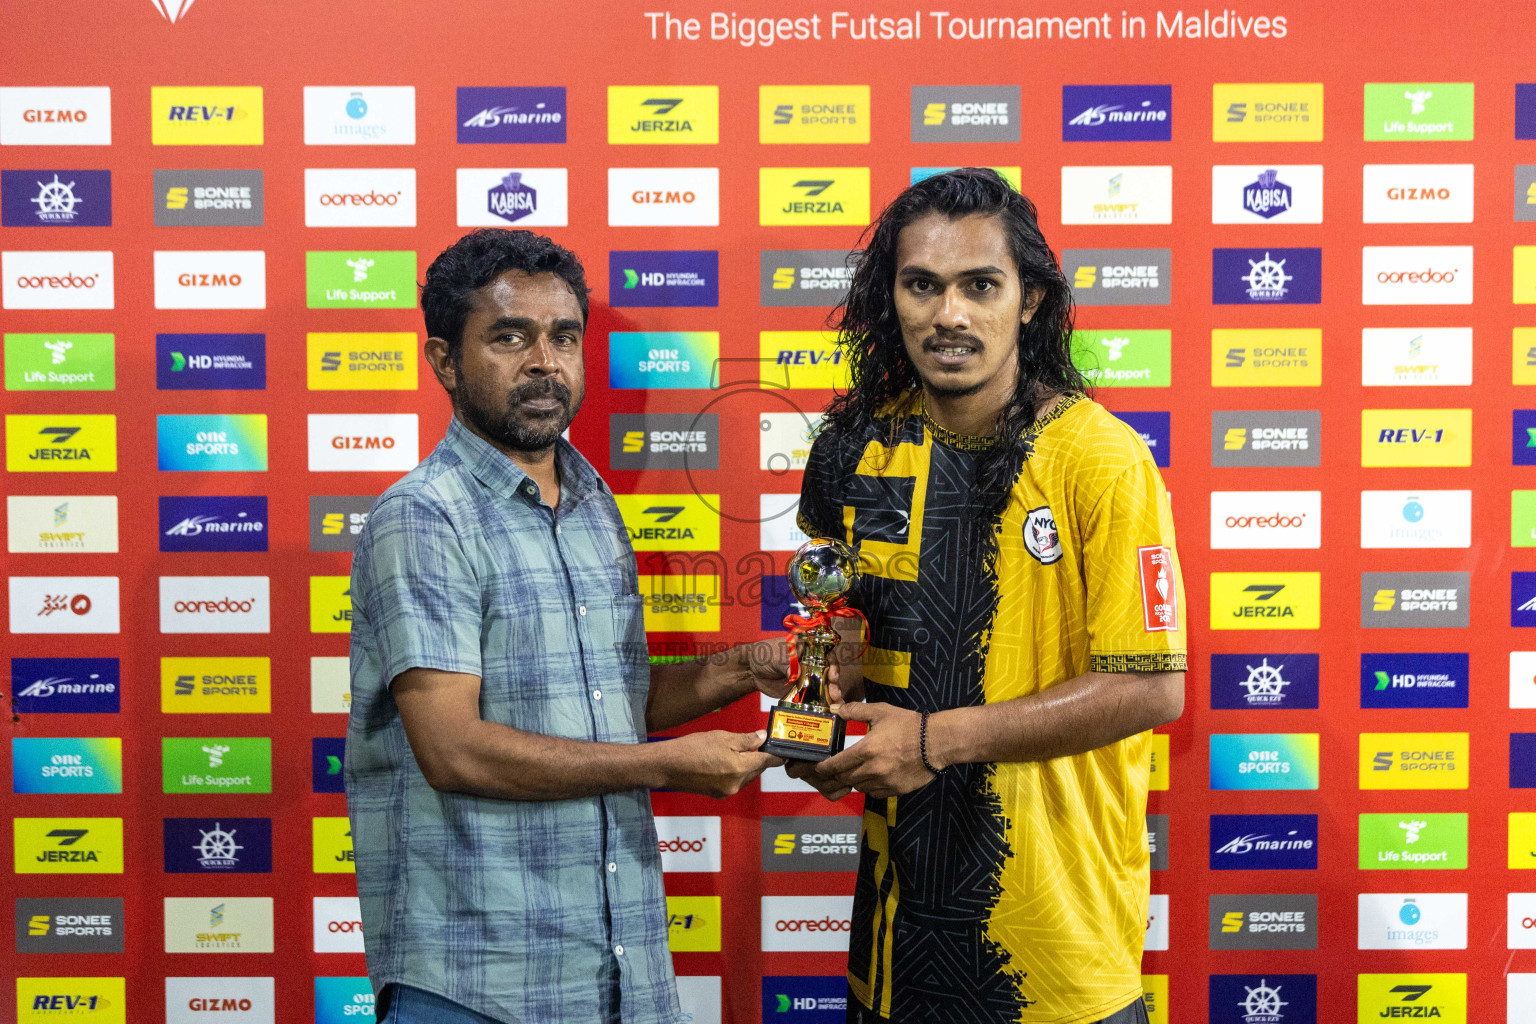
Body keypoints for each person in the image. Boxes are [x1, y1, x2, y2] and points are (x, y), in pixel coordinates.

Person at [344, 228, 788, 1024]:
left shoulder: (592, 503)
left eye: (564, 336)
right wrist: (662, 767)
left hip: (621, 970)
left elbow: (599, 706)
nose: (544, 362)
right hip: (480, 982)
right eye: (510, 337)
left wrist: (742, 670)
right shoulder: (423, 517)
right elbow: (452, 750)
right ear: (444, 361)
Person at [787, 168, 1187, 1024]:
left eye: (981, 286)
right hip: (893, 960)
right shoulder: (852, 449)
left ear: (1030, 300)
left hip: (1057, 964)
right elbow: (838, 633)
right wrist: (827, 718)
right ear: (888, 296)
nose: (950, 315)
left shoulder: (1100, 459)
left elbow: (1152, 686)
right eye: (922, 285)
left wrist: (931, 740)